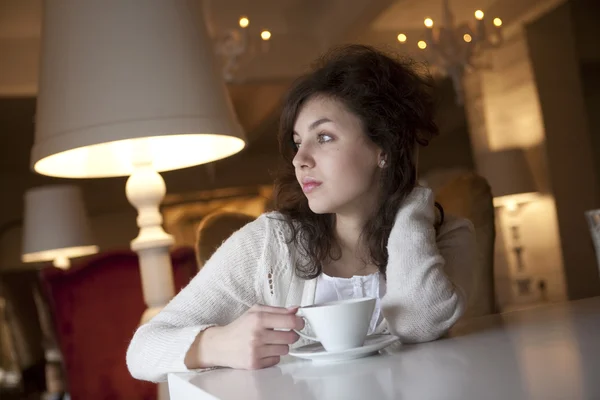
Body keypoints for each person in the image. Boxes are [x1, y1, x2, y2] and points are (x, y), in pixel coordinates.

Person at [126, 44, 476, 383]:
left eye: (323, 137)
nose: (300, 159)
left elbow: (418, 323)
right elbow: (142, 350)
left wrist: (411, 200)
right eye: (297, 142)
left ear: (382, 148)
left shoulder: (448, 236)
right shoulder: (268, 245)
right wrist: (217, 343)